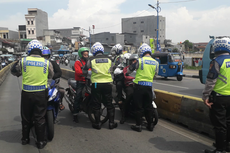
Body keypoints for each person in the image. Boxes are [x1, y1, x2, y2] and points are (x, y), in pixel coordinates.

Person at [11, 40, 54, 149]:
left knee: (26, 117)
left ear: (29, 50)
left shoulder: (23, 61)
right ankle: (40, 142)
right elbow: (51, 75)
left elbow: (14, 72)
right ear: (40, 50)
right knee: (40, 117)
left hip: (27, 93)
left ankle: (25, 139)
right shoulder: (46, 62)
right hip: (41, 94)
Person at [203, 37, 230, 153]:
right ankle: (226, 145)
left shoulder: (217, 61)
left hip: (219, 97)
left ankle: (220, 149)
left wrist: (205, 96)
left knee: (219, 125)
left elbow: (211, 81)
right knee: (228, 122)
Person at [83, 42, 118, 130]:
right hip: (108, 84)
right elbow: (113, 69)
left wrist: (88, 74)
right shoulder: (109, 59)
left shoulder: (91, 60)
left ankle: (98, 123)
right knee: (109, 104)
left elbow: (84, 70)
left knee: (96, 104)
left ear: (93, 51)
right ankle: (111, 123)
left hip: (96, 84)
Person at [126, 43, 158, 132]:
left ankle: (138, 125)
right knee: (148, 106)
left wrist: (127, 73)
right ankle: (150, 125)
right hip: (149, 87)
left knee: (138, 107)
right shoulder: (156, 62)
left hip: (139, 87)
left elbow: (130, 69)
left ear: (141, 52)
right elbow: (155, 75)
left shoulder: (139, 61)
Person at [73, 47, 90, 123]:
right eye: (85, 54)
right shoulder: (78, 62)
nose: (86, 56)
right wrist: (86, 73)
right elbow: (78, 72)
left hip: (88, 81)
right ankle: (75, 114)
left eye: (87, 54)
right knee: (78, 97)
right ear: (81, 55)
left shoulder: (89, 62)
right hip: (80, 82)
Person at [120, 54, 138, 124]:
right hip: (129, 85)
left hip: (138, 85)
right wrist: (134, 78)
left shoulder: (138, 68)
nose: (134, 62)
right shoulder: (126, 69)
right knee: (129, 97)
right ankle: (123, 116)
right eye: (133, 60)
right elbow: (126, 76)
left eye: (135, 60)